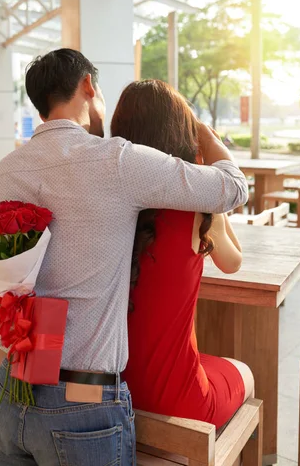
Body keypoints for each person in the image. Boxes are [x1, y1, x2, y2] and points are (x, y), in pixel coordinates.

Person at [0, 49, 248, 465]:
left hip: (11, 398)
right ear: (88, 86)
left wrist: (12, 319)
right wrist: (208, 138)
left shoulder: (5, 172)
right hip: (84, 406)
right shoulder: (117, 161)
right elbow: (232, 188)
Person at [110, 80, 254, 429]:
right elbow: (233, 262)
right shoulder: (194, 204)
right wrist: (208, 144)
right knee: (246, 373)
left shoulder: (112, 201)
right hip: (180, 400)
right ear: (182, 134)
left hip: (114, 388)